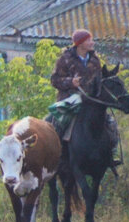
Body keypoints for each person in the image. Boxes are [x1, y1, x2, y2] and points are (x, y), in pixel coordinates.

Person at [48, 28, 121, 166]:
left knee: (110, 123)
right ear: (80, 43)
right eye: (89, 40)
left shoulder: (94, 59)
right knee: (57, 125)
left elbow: (99, 80)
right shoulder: (65, 59)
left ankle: (110, 155)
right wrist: (71, 82)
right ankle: (57, 158)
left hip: (92, 102)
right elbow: (54, 79)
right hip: (70, 100)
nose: (92, 43)